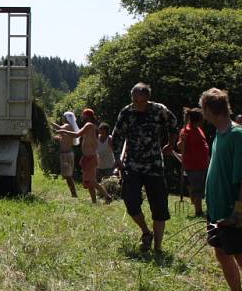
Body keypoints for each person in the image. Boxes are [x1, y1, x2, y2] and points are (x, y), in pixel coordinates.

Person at [200, 88, 242, 291]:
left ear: (208, 109)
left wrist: (240, 212)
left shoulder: (237, 134)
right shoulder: (219, 134)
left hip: (234, 211)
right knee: (222, 254)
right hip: (216, 209)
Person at [112, 82, 178, 252]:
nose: (137, 104)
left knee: (159, 207)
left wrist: (171, 144)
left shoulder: (159, 110)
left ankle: (157, 247)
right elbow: (117, 136)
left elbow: (173, 124)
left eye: (140, 101)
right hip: (132, 165)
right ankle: (146, 232)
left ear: (147, 99)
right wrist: (117, 159)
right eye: (134, 100)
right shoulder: (126, 112)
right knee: (131, 202)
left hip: (154, 164)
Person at [55, 108, 112, 203]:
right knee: (89, 182)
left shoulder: (89, 125)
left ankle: (107, 196)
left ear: (87, 116)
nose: (82, 116)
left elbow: (77, 134)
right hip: (88, 156)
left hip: (90, 157)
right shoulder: (91, 125)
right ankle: (94, 201)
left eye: (83, 114)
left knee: (91, 181)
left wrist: (64, 132)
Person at [177, 107, 210, 217]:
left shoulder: (198, 129)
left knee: (201, 188)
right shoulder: (187, 131)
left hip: (202, 164)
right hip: (194, 164)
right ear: (199, 119)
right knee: (196, 188)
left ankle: (200, 209)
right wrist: (182, 142)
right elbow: (179, 146)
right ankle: (198, 211)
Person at [51, 112, 78, 198]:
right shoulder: (71, 127)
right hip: (68, 153)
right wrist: (54, 137)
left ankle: (74, 194)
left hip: (66, 155)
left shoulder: (67, 126)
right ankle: (73, 194)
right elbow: (62, 138)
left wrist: (50, 123)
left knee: (68, 176)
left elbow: (59, 128)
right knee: (67, 175)